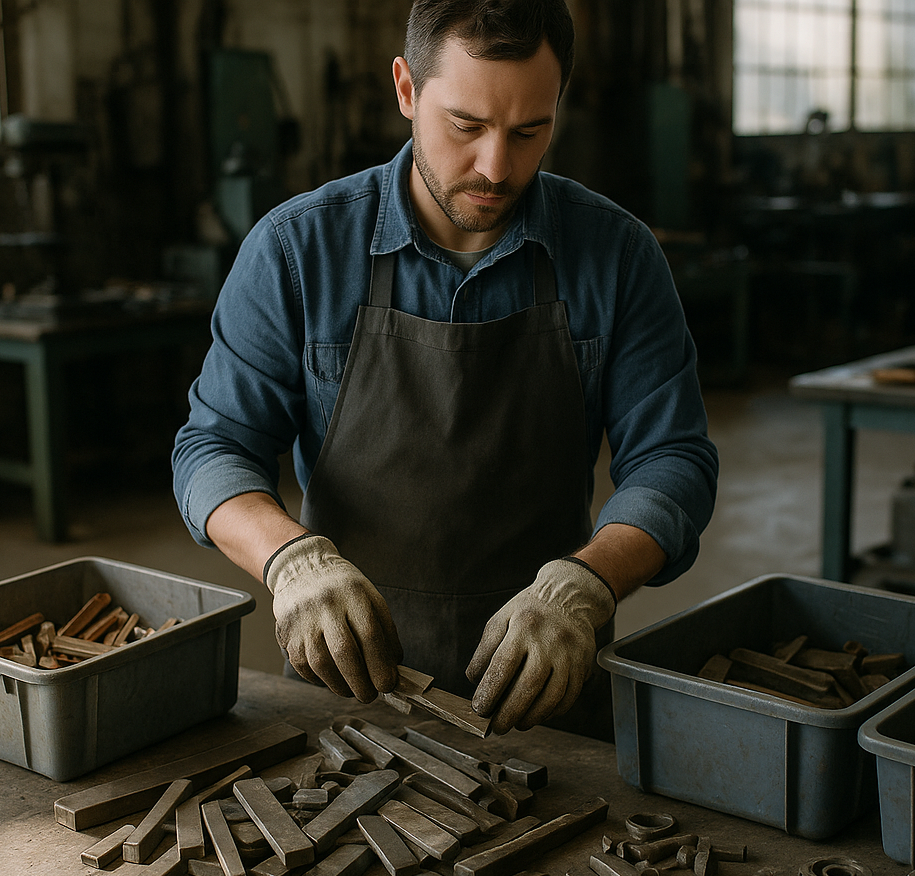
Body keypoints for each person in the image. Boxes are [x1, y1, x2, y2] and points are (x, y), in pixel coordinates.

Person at [172, 0, 718, 741]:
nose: (497, 167)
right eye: (466, 126)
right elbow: (213, 449)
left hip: (550, 697)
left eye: (531, 131)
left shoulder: (616, 256)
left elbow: (672, 459)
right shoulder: (298, 251)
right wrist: (290, 560)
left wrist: (587, 584)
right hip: (351, 694)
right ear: (406, 89)